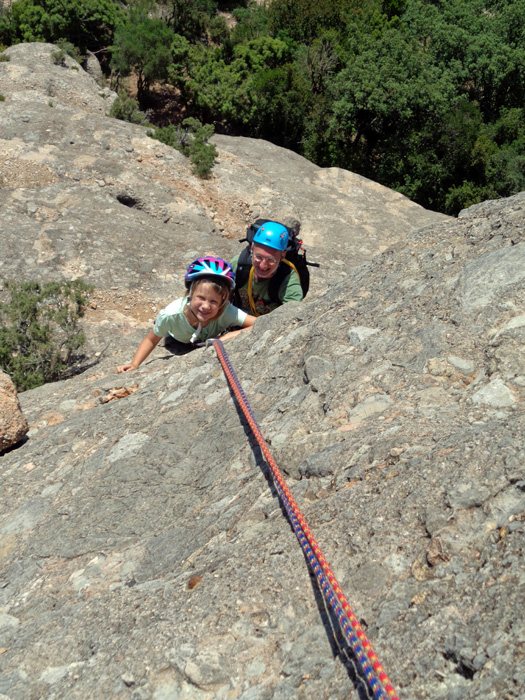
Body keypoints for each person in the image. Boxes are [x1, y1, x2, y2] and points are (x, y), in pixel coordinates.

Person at [116, 257, 255, 373]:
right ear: (190, 294)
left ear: (223, 301)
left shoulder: (225, 311)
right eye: (201, 298)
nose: (206, 306)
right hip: (177, 343)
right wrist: (135, 364)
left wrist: (230, 336)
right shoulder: (171, 315)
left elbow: (261, 322)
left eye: (214, 301)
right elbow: (152, 339)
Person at [230, 221, 303, 317]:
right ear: (252, 248)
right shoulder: (239, 265)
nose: (263, 265)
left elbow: (292, 317)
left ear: (282, 256)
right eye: (258, 257)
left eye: (271, 260)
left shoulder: (288, 280)